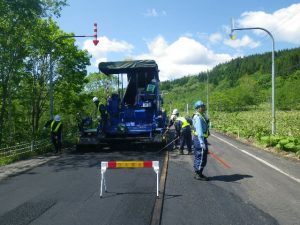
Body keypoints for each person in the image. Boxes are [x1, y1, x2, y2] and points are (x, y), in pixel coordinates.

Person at [192, 100, 210, 181]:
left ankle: (198, 172)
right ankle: (198, 174)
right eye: (203, 106)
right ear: (199, 108)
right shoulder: (198, 117)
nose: (204, 107)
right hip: (200, 139)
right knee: (202, 156)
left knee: (198, 155)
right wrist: (202, 142)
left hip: (198, 139)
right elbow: (199, 130)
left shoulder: (200, 115)